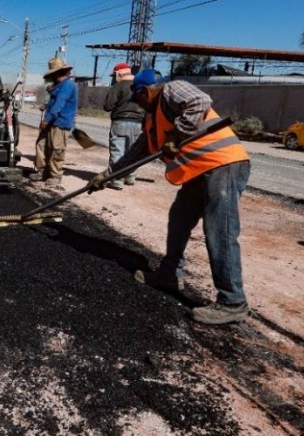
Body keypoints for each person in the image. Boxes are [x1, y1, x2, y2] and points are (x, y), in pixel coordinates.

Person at [88, 69, 252, 325]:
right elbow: (135, 155)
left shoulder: (171, 90)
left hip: (223, 164)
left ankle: (233, 301)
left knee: (220, 231)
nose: (139, 105)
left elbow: (200, 101)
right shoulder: (152, 121)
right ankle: (169, 274)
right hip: (199, 173)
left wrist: (177, 134)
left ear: (145, 92)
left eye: (138, 99)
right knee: (178, 221)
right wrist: (105, 176)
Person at [30, 56, 78, 187]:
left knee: (56, 149)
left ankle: (55, 176)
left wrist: (46, 120)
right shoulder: (59, 85)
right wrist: (46, 106)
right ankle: (42, 171)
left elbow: (60, 104)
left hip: (60, 122)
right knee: (41, 145)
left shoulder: (68, 85)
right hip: (52, 120)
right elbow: (54, 102)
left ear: (58, 73)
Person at [102, 62, 144, 190]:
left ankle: (117, 180)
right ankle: (130, 177)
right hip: (139, 123)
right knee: (133, 151)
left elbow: (108, 106)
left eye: (114, 76)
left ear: (118, 74)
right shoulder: (141, 86)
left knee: (118, 151)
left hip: (120, 122)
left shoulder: (118, 86)